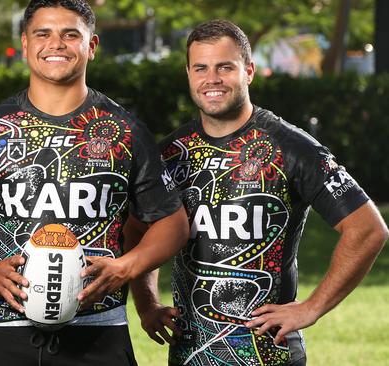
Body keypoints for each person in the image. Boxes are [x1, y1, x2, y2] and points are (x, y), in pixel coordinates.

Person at [0, 0, 189, 365]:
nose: (56, 44)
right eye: (43, 34)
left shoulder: (124, 131)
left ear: (91, 46)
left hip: (99, 334)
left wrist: (125, 267)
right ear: (26, 44)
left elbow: (172, 223)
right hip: (7, 334)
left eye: (70, 34)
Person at [129, 19, 389, 366]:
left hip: (270, 356)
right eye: (201, 68)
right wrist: (147, 304)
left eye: (225, 67)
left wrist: (311, 308)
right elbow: (136, 228)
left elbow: (368, 229)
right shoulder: (171, 153)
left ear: (248, 71)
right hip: (189, 355)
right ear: (188, 74)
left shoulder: (291, 147)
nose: (212, 79)